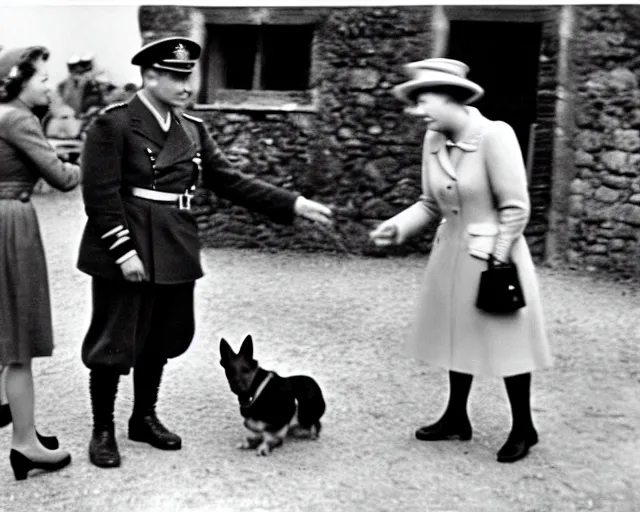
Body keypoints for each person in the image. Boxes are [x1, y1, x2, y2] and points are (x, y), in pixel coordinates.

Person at [77, 37, 333, 469]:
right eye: (176, 76)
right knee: (114, 341)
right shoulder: (114, 125)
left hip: (174, 244)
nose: (186, 85)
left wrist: (291, 203)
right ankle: (102, 430)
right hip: (129, 241)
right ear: (150, 75)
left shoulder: (192, 129)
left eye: (188, 76)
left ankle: (143, 417)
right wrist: (123, 252)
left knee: (158, 339)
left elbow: (229, 180)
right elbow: (100, 195)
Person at [370, 58, 552, 463]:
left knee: (508, 341)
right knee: (456, 335)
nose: (418, 110)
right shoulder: (433, 139)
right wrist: (398, 228)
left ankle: (524, 426)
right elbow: (429, 203)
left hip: (493, 259)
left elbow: (516, 208)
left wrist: (498, 259)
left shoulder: (494, 135)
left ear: (451, 97)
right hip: (450, 252)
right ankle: (456, 417)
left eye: (424, 100)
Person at [0, 45, 80, 479]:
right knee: (18, 344)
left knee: (3, 328)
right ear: (19, 81)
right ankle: (24, 443)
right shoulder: (18, 118)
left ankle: (15, 417)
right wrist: (83, 163)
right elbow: (62, 179)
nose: (50, 85)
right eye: (43, 78)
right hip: (12, 223)